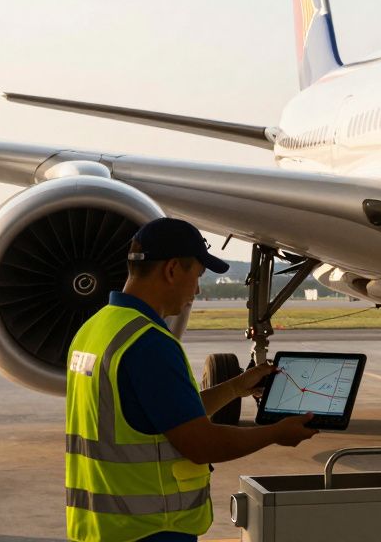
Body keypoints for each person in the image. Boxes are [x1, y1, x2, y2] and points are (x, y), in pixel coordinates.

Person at [64, 217, 319, 542]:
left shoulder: (97, 329)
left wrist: (235, 387)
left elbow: (164, 415)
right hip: (150, 531)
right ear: (172, 270)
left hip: (101, 528)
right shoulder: (149, 343)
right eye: (197, 276)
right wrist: (274, 433)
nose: (197, 290)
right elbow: (200, 444)